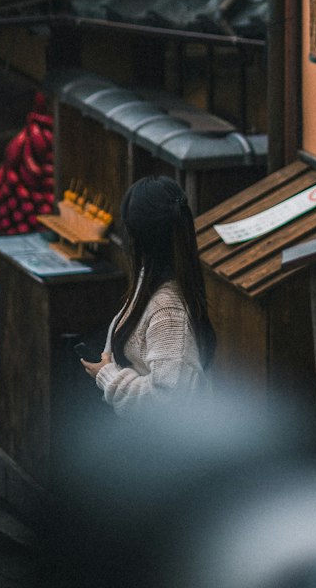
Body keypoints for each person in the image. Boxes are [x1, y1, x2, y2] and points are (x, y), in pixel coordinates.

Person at [82, 174, 216, 413]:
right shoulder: (149, 282)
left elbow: (168, 400)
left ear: (135, 239)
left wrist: (108, 376)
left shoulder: (168, 313)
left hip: (163, 446)